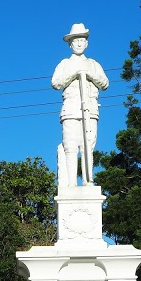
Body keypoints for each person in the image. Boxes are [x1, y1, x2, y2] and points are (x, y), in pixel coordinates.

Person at [51, 23, 109, 188]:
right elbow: (55, 83)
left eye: (81, 40)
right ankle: (70, 184)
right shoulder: (65, 64)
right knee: (70, 145)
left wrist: (89, 74)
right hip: (70, 109)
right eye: (75, 40)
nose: (78, 43)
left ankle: (87, 181)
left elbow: (105, 83)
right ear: (70, 44)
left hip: (90, 110)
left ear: (86, 43)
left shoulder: (93, 64)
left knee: (87, 145)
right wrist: (74, 74)